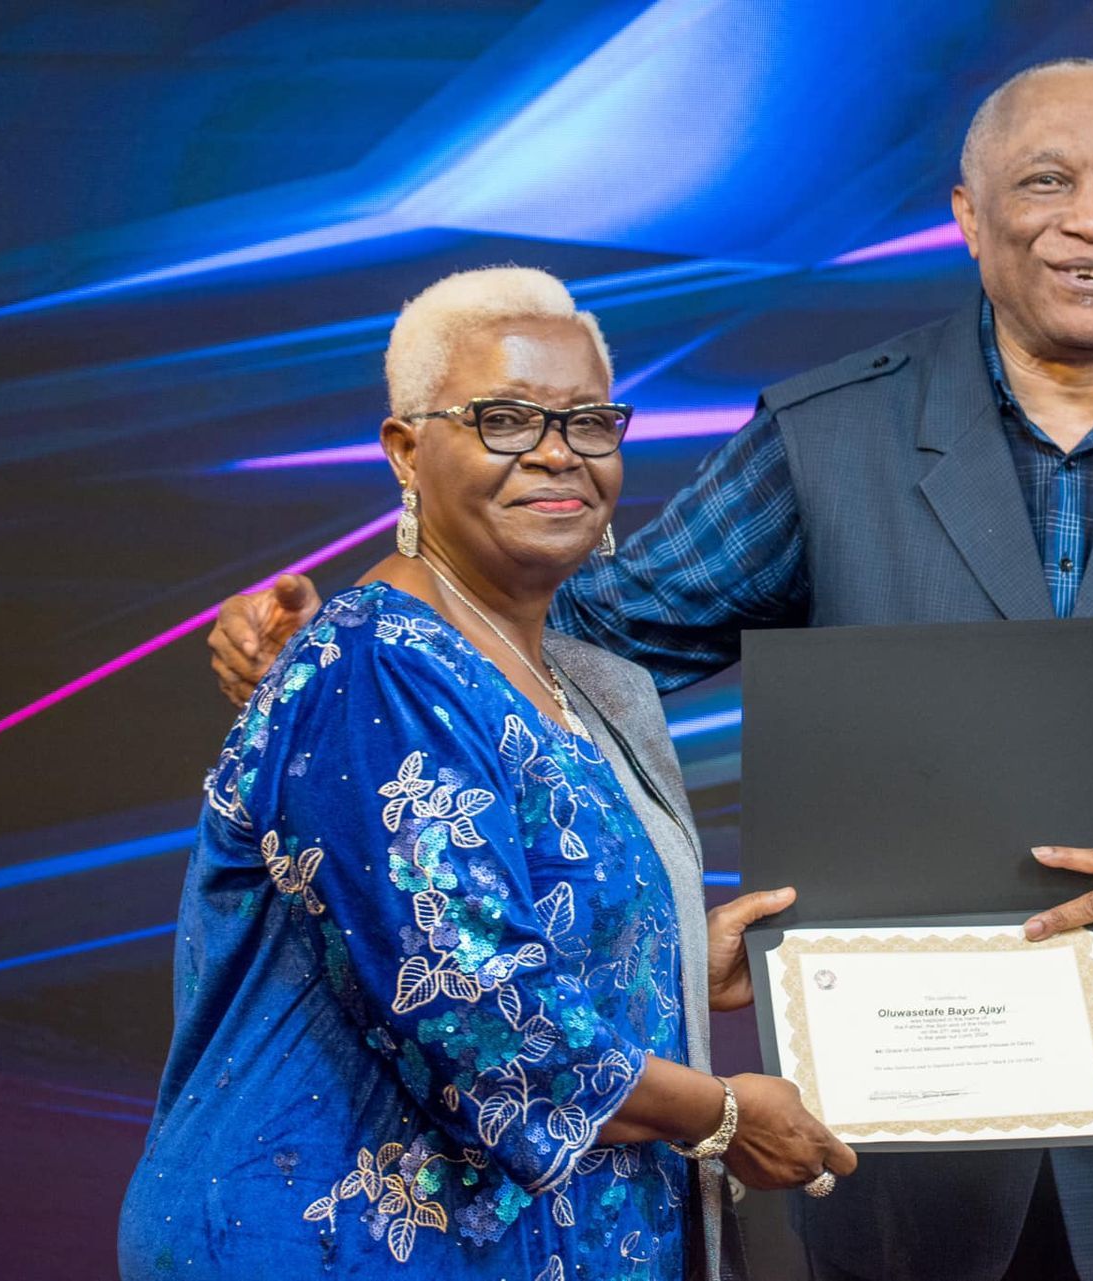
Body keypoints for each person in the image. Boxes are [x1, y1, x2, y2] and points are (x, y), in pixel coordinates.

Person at [211, 59, 1093, 1281]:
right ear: (970, 219)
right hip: (898, 1130)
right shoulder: (828, 439)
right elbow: (574, 619)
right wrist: (371, 637)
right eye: (1046, 182)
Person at [126, 267, 855, 1281]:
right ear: (405, 452)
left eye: (590, 422)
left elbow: (528, 930)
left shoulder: (569, 681)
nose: (557, 454)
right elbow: (477, 1012)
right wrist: (726, 1116)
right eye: (505, 420)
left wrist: (678, 954)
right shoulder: (374, 665)